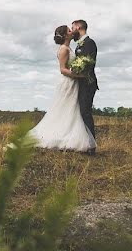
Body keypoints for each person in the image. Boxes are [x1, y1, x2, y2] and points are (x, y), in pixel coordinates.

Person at [28, 25, 97, 153]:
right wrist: (79, 75)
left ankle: (70, 136)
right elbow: (62, 70)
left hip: (74, 82)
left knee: (72, 110)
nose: (72, 31)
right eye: (69, 31)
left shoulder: (69, 47)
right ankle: (60, 137)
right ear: (66, 35)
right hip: (69, 82)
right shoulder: (64, 49)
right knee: (65, 108)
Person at [71, 19, 98, 150]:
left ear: (79, 27)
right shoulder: (79, 44)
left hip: (88, 83)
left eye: (73, 28)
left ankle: (91, 146)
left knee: (85, 112)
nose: (72, 31)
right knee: (80, 113)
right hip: (80, 82)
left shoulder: (89, 43)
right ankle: (83, 143)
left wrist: (75, 71)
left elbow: (88, 63)